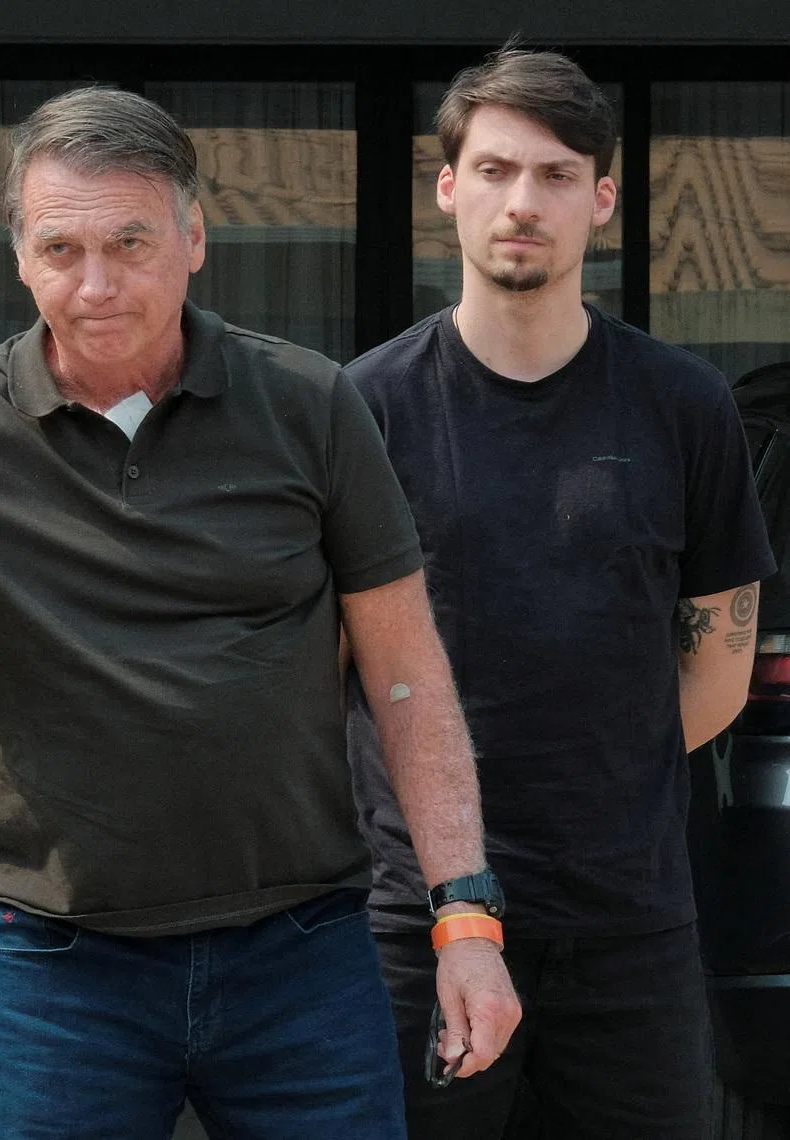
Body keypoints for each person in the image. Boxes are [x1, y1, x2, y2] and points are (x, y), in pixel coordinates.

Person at [0, 88, 518, 1140]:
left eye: (131, 241)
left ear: (196, 236)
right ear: (18, 256)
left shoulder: (309, 405)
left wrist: (466, 917)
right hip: (62, 974)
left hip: (299, 957)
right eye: (62, 248)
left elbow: (406, 673)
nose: (98, 282)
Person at [344, 47, 776, 1140]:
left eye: (552, 174)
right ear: (447, 190)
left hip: (629, 927)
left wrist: (596, 777)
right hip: (421, 925)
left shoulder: (684, 407)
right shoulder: (366, 409)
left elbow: (716, 669)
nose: (520, 203)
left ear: (604, 198)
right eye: (492, 171)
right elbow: (329, 662)